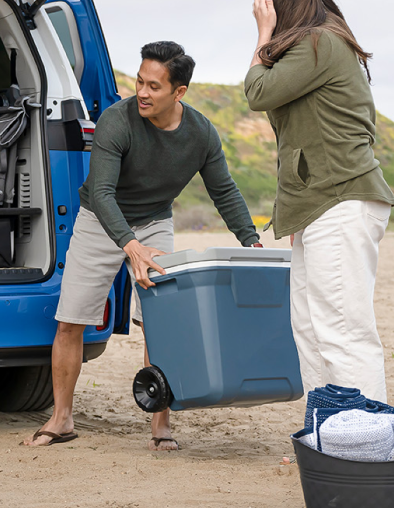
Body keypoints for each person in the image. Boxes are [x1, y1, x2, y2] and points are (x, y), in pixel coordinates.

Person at [24, 41, 262, 450]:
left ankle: (160, 424)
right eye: (139, 81)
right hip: (99, 221)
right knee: (71, 320)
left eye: (154, 86)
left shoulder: (201, 133)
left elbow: (224, 191)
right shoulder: (117, 120)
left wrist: (252, 241)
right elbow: (100, 192)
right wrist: (130, 246)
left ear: (179, 92)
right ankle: (61, 418)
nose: (143, 93)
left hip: (154, 222)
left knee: (160, 324)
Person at [244, 0, 394, 403]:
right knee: (310, 331)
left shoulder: (320, 43)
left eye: (266, 5)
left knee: (343, 333)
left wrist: (263, 34)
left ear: (281, 2)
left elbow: (257, 92)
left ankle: (365, 442)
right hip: (320, 206)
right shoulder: (310, 47)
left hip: (342, 202)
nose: (262, 13)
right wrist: (296, 210)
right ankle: (326, 434)